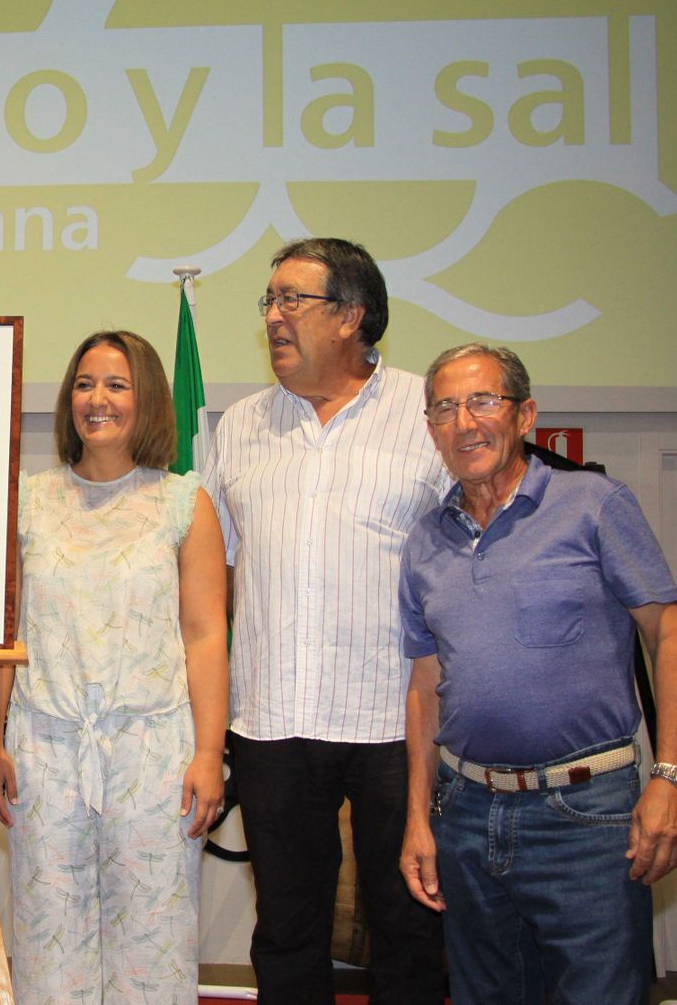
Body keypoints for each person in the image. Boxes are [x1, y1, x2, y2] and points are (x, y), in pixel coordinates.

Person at [398, 343, 677, 1004]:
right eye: (445, 408)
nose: (465, 422)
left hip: (587, 819)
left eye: (484, 401)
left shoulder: (593, 504)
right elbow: (425, 686)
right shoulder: (425, 540)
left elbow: (671, 636)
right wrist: (419, 819)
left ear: (525, 414)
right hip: (467, 816)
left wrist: (672, 778)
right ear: (430, 429)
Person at [202, 237, 448, 1004]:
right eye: (269, 301)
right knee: (286, 930)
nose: (273, 317)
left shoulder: (426, 414)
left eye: (291, 301)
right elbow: (215, 580)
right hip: (273, 720)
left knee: (408, 930)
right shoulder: (239, 426)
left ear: (353, 315)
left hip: (392, 720)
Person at [0, 330, 228, 1005]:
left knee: (153, 939)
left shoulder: (183, 502)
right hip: (44, 753)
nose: (98, 399)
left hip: (154, 756)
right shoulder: (26, 501)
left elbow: (206, 636)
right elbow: (2, 638)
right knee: (47, 936)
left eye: (117, 385)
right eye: (85, 383)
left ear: (145, 400)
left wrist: (209, 752)